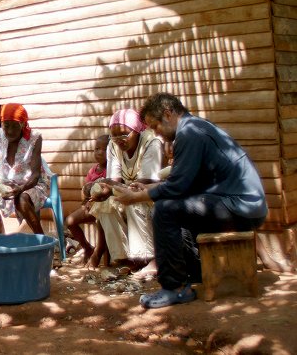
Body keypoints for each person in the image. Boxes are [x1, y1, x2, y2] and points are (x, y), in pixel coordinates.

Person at [115, 93, 268, 308]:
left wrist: (136, 197)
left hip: (242, 206)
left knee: (165, 210)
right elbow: (185, 183)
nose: (156, 133)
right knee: (178, 208)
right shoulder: (195, 127)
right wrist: (148, 188)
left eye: (155, 126)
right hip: (240, 204)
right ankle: (195, 277)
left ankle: (172, 288)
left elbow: (177, 187)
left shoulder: (189, 133)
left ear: (168, 114)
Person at [96, 109, 163, 276]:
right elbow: (114, 179)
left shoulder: (151, 142)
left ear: (137, 131)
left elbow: (145, 182)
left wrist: (114, 188)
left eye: (124, 135)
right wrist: (101, 190)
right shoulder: (113, 145)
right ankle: (124, 258)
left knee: (134, 200)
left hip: (151, 193)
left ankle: (147, 259)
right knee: (105, 204)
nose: (119, 140)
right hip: (127, 189)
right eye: (114, 135)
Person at [0, 103, 48, 234]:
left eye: (15, 126)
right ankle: (3, 238)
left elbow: (35, 175)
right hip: (4, 186)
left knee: (22, 198)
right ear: (1, 124)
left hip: (30, 187)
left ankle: (41, 239)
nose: (10, 131)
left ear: (22, 124)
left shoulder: (34, 138)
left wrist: (20, 189)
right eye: (6, 126)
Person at [65, 134, 109, 268]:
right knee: (70, 221)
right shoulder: (92, 171)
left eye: (104, 149)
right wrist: (85, 202)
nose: (100, 152)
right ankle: (87, 247)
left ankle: (101, 254)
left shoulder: (112, 170)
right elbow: (85, 191)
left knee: (101, 220)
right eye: (97, 149)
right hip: (90, 207)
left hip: (104, 208)